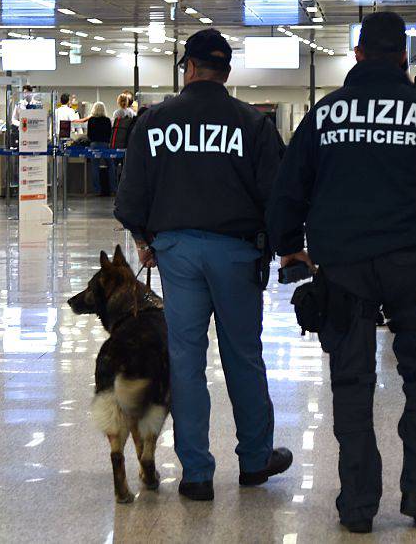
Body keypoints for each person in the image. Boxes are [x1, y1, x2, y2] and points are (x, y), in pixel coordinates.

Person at [267, 12, 416, 532]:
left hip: (345, 265)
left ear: (357, 54)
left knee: (352, 383)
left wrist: (290, 247)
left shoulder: (327, 113)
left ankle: (358, 506)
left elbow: (289, 186)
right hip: (411, 263)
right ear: (403, 56)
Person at [115, 29, 291, 503]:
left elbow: (132, 196)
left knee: (186, 361)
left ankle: (196, 473)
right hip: (237, 252)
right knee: (243, 356)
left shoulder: (154, 121)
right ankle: (255, 461)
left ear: (188, 67)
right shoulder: (252, 124)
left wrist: (143, 240)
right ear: (227, 72)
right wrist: (282, 246)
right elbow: (275, 196)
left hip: (177, 252)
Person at [86, 101, 114, 197]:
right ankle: (113, 188)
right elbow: (110, 133)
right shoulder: (107, 120)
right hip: (105, 144)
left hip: (94, 144)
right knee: (111, 165)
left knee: (95, 167)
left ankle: (97, 190)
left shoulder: (91, 120)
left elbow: (89, 134)